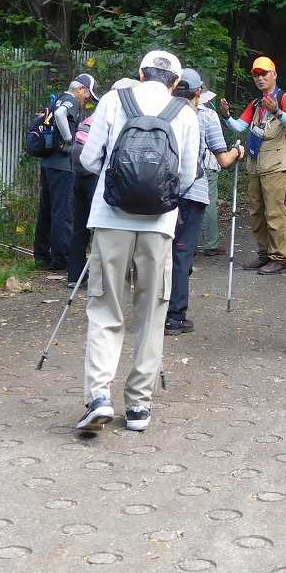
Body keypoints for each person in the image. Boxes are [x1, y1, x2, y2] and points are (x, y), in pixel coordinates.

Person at [75, 52, 198, 433]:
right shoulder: (186, 113)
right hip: (159, 225)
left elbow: (90, 160)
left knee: (105, 308)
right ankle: (139, 407)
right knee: (151, 315)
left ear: (141, 73)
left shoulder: (113, 101)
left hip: (110, 220)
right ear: (175, 82)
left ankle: (98, 396)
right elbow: (188, 174)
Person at [165, 69, 244, 335]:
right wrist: (238, 151)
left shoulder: (161, 109)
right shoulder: (206, 116)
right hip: (192, 191)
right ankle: (174, 317)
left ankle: (154, 310)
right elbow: (223, 161)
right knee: (182, 252)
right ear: (198, 92)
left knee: (161, 250)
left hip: (160, 191)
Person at [220, 55, 286, 275]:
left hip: (276, 164)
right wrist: (227, 116)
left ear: (274, 74)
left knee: (276, 212)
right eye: (256, 75)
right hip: (255, 163)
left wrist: (276, 110)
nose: (260, 78)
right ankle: (264, 254)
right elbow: (239, 127)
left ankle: (279, 258)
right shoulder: (255, 103)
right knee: (256, 211)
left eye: (264, 73)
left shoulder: (284, 97)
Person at [34, 72, 98, 271]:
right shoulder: (69, 100)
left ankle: (42, 255)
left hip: (48, 163)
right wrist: (70, 139)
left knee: (46, 210)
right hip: (62, 165)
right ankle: (60, 259)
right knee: (63, 211)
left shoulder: (57, 99)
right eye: (88, 94)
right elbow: (61, 116)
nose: (87, 99)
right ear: (81, 89)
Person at [66, 85, 101, 287]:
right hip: (94, 177)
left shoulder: (86, 121)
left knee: (79, 227)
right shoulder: (107, 123)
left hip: (78, 175)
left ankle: (74, 275)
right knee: (99, 228)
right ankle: (97, 277)